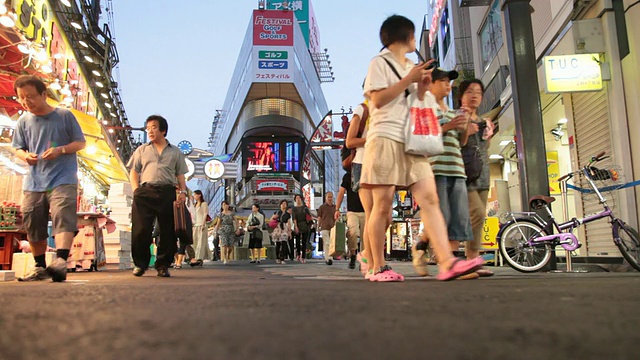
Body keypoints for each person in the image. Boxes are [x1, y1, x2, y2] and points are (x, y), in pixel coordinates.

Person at [361, 15, 482, 281]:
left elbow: (414, 103)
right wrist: (409, 80)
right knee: (381, 206)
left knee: (430, 198)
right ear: (406, 37)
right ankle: (377, 266)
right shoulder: (379, 63)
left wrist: (421, 87)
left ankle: (448, 262)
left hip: (412, 140)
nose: (415, 41)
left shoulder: (412, 67)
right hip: (385, 137)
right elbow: (378, 100)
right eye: (413, 36)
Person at [12, 75, 86, 282]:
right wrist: (25, 156)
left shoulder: (64, 115)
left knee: (63, 214)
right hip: (34, 181)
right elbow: (17, 147)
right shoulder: (23, 121)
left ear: (44, 94)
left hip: (63, 178)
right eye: (22, 98)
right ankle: (39, 267)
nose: (27, 102)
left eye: (30, 97)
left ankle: (61, 262)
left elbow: (80, 143)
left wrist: (60, 150)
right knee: (33, 220)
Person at [426, 68, 474, 275]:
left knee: (459, 217)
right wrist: (449, 126)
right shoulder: (426, 107)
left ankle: (452, 262)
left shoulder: (453, 111)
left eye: (449, 81)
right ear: (431, 84)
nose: (448, 85)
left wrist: (464, 129)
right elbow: (423, 135)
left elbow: (461, 142)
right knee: (442, 216)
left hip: (457, 168)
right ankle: (442, 262)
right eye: (443, 81)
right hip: (437, 168)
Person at [128, 115, 188, 278]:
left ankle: (163, 265)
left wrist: (183, 193)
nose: (150, 131)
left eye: (154, 127)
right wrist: (136, 190)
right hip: (145, 192)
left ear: (163, 130)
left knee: (167, 231)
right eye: (148, 128)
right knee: (141, 230)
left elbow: (180, 175)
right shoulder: (142, 150)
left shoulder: (175, 152)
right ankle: (140, 264)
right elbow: (133, 171)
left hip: (167, 192)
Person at [460, 79, 496, 277]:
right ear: (461, 95)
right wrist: (466, 129)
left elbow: (484, 150)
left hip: (482, 174)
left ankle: (472, 259)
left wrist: (488, 136)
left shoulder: (484, 121)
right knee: (478, 213)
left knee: (479, 218)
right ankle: (470, 260)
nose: (474, 95)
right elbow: (454, 143)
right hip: (465, 175)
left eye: (478, 92)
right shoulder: (457, 117)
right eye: (470, 91)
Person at [345, 100, 372, 274]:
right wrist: (371, 139)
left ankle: (368, 255)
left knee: (383, 216)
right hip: (363, 165)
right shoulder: (363, 110)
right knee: (373, 214)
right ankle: (370, 260)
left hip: (383, 163)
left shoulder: (389, 109)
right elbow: (349, 141)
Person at [335, 168, 366, 270]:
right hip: (352, 211)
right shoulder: (348, 176)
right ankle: (353, 255)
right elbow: (341, 192)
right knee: (353, 233)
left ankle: (363, 261)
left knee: (365, 238)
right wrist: (337, 209)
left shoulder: (367, 173)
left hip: (366, 211)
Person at [190, 190, 211, 265]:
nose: (194, 196)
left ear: (199, 195)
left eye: (195, 195)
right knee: (194, 242)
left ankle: (199, 258)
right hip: (195, 225)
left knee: (201, 242)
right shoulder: (194, 205)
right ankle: (194, 257)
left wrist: (203, 224)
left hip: (201, 225)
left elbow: (205, 214)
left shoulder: (204, 203)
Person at [316, 192, 336, 265]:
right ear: (325, 198)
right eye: (328, 197)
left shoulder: (335, 207)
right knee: (327, 243)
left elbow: (337, 218)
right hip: (324, 227)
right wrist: (318, 227)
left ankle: (329, 257)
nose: (330, 198)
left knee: (331, 243)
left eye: (331, 197)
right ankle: (328, 258)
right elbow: (319, 218)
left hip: (333, 228)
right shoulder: (322, 207)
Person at [291, 194, 312, 263]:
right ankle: (298, 254)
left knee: (304, 241)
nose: (298, 199)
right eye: (296, 198)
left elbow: (309, 216)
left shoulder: (305, 207)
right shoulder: (294, 208)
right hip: (298, 224)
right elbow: (294, 218)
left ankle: (303, 256)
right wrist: (296, 226)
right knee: (297, 241)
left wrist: (310, 223)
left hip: (305, 225)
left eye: (299, 198)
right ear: (295, 200)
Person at [271, 200, 293, 264]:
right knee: (277, 244)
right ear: (280, 205)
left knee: (284, 243)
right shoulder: (277, 212)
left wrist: (290, 232)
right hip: (277, 228)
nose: (283, 205)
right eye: (282, 204)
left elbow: (289, 223)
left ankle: (282, 258)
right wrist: (274, 218)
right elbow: (271, 220)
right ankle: (277, 257)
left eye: (285, 204)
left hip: (284, 228)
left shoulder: (287, 214)